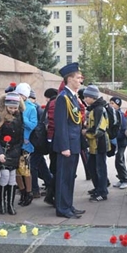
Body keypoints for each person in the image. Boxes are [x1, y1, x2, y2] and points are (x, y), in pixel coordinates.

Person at [53, 62, 85, 219]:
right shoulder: (63, 98)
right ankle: (62, 208)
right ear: (70, 79)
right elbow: (61, 125)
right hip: (67, 146)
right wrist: (64, 146)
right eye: (78, 77)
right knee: (64, 178)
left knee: (70, 177)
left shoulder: (72, 97)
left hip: (74, 144)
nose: (81, 80)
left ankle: (68, 205)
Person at [0, 92, 25, 215]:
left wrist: (19, 150)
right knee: (4, 176)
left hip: (14, 150)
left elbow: (20, 135)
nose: (13, 110)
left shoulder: (20, 115)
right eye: (10, 108)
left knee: (12, 178)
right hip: (3, 150)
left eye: (15, 108)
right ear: (6, 106)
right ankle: (2, 203)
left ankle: (10, 203)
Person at [83, 85, 110, 202]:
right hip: (94, 144)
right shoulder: (93, 109)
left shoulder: (99, 109)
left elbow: (100, 129)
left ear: (92, 97)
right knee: (91, 166)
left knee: (100, 168)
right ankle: (98, 188)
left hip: (100, 143)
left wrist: (86, 132)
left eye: (86, 97)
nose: (84, 99)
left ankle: (102, 192)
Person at [15, 83, 38, 206]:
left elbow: (33, 125)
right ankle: (22, 191)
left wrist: (23, 118)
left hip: (26, 143)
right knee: (16, 170)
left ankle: (29, 193)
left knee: (25, 169)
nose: (19, 97)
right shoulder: (13, 106)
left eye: (21, 95)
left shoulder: (31, 108)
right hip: (15, 142)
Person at [44, 87, 59, 206]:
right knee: (57, 170)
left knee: (55, 169)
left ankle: (51, 195)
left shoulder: (51, 103)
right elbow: (53, 123)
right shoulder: (55, 103)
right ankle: (52, 195)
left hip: (51, 140)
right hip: (55, 140)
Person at [110, 96, 127, 189]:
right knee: (117, 160)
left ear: (118, 105)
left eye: (113, 103)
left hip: (122, 141)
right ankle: (121, 178)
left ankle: (125, 179)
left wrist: (117, 136)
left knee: (120, 159)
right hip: (117, 141)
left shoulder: (121, 115)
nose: (111, 105)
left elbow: (124, 130)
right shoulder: (113, 114)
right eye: (110, 103)